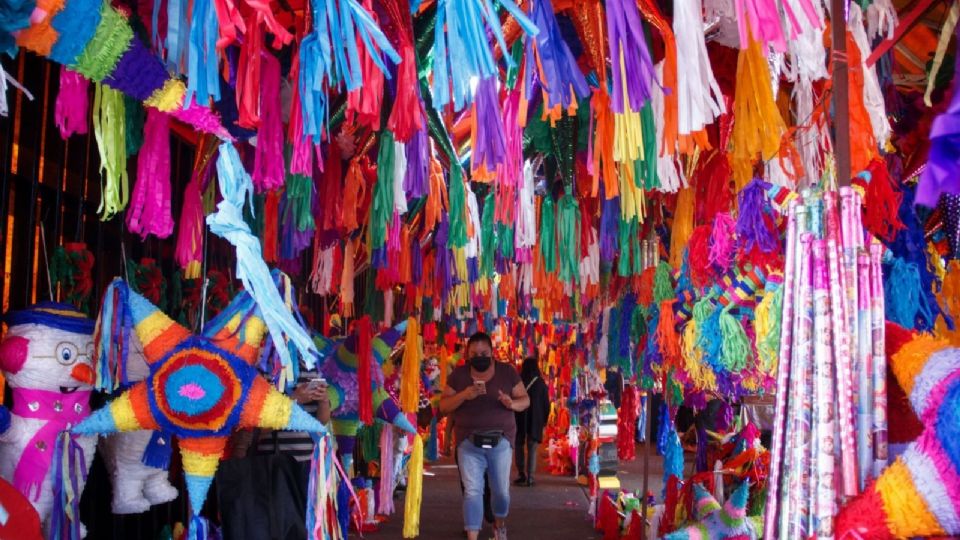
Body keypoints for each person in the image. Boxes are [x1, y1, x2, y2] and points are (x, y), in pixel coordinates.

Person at [440, 332, 530, 540]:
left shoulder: (507, 372)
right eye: (474, 353)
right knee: (472, 491)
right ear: (467, 354)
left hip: (501, 442)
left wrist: (511, 403)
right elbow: (444, 406)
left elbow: (525, 400)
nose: (479, 356)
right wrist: (464, 395)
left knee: (501, 491)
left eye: (484, 353)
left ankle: (499, 526)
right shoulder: (459, 376)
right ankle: (473, 535)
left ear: (492, 353)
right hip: (468, 443)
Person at [514, 357, 550, 487]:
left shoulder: (519, 381)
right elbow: (546, 404)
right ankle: (530, 477)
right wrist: (544, 420)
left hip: (520, 417)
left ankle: (521, 473)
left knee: (519, 445)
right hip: (535, 420)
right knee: (532, 447)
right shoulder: (541, 383)